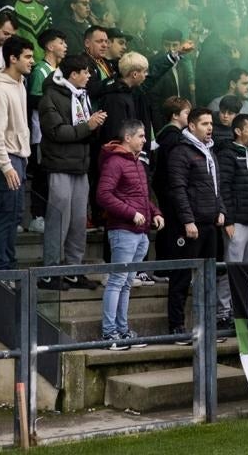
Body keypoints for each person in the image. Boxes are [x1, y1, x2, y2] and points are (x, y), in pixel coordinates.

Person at [38, 54, 105, 290]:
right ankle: (49, 272)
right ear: (73, 74)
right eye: (85, 72)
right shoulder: (50, 97)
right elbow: (56, 132)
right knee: (59, 219)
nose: (88, 76)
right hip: (59, 165)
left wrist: (94, 126)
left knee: (78, 221)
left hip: (81, 166)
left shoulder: (82, 96)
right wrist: (88, 126)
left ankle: (73, 270)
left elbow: (83, 130)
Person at [96, 120, 164, 350]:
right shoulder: (115, 162)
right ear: (128, 138)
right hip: (123, 231)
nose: (145, 140)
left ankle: (122, 331)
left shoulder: (137, 162)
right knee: (117, 282)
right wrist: (131, 213)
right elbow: (103, 195)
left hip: (140, 231)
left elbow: (142, 196)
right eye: (142, 136)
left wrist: (154, 212)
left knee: (126, 284)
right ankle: (109, 333)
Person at [165, 109, 226, 340]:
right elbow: (178, 189)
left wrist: (222, 210)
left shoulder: (209, 151)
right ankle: (176, 328)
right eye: (204, 123)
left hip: (211, 224)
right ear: (191, 126)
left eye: (211, 123)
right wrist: (188, 220)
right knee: (181, 276)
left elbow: (216, 185)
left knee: (209, 278)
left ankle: (206, 327)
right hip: (190, 226)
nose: (209, 127)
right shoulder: (181, 152)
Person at [0, 36, 34, 269]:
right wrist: (5, 165)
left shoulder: (20, 83)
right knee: (3, 212)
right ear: (13, 58)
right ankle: (0, 267)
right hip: (3, 157)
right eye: (28, 57)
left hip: (17, 157)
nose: (32, 61)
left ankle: (9, 264)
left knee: (14, 213)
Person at [215, 114, 248, 326]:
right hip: (236, 223)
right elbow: (224, 188)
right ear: (238, 131)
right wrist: (228, 220)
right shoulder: (227, 155)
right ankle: (223, 313)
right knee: (232, 268)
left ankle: (243, 308)